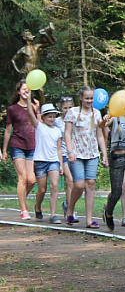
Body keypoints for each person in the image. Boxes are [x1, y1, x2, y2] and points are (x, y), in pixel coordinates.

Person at [63, 85, 108, 228]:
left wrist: (104, 154)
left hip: (92, 153)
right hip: (77, 153)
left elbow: (99, 135)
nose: (89, 101)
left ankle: (89, 219)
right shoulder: (72, 112)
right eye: (87, 98)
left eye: (91, 98)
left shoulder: (97, 113)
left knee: (91, 184)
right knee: (79, 184)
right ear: (81, 98)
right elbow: (67, 133)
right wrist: (70, 151)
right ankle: (70, 209)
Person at [2, 80, 38, 220]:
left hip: (32, 146)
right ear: (18, 92)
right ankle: (24, 209)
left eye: (28, 89)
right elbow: (8, 131)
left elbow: (39, 126)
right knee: (22, 178)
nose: (26, 91)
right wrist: (4, 150)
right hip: (17, 146)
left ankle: (22, 199)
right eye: (23, 89)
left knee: (31, 180)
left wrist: (37, 109)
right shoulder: (12, 109)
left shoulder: (34, 108)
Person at [27, 92, 63, 224]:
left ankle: (53, 214)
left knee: (54, 187)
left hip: (53, 161)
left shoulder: (57, 131)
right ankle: (38, 206)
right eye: (49, 116)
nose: (52, 119)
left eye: (54, 116)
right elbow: (31, 115)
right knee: (42, 189)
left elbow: (59, 148)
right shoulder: (39, 127)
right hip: (40, 161)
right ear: (43, 117)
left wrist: (60, 164)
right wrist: (28, 101)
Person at [54, 96, 76, 220]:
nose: (68, 110)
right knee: (70, 181)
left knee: (76, 183)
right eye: (65, 108)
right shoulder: (57, 121)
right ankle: (70, 210)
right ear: (61, 109)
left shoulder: (76, 119)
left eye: (70, 107)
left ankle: (67, 204)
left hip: (75, 153)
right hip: (62, 154)